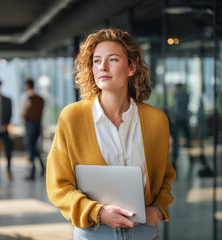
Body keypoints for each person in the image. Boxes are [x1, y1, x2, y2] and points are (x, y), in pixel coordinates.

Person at [46, 28, 176, 240]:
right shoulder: (72, 118)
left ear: (131, 68)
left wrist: (159, 209)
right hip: (94, 232)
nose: (103, 67)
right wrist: (98, 213)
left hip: (144, 231)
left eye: (113, 60)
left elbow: (166, 176)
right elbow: (58, 185)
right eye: (96, 61)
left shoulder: (156, 120)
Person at [22, 79, 45, 180]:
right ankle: (42, 166)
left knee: (31, 149)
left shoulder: (29, 98)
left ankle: (32, 172)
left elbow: (25, 114)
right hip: (38, 126)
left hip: (30, 125)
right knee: (34, 148)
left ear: (27, 86)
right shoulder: (41, 99)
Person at [170, 83, 191, 170]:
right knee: (188, 139)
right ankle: (191, 157)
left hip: (178, 119)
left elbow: (175, 107)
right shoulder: (186, 94)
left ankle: (175, 160)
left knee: (176, 141)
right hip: (184, 118)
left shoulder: (177, 95)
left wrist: (173, 117)